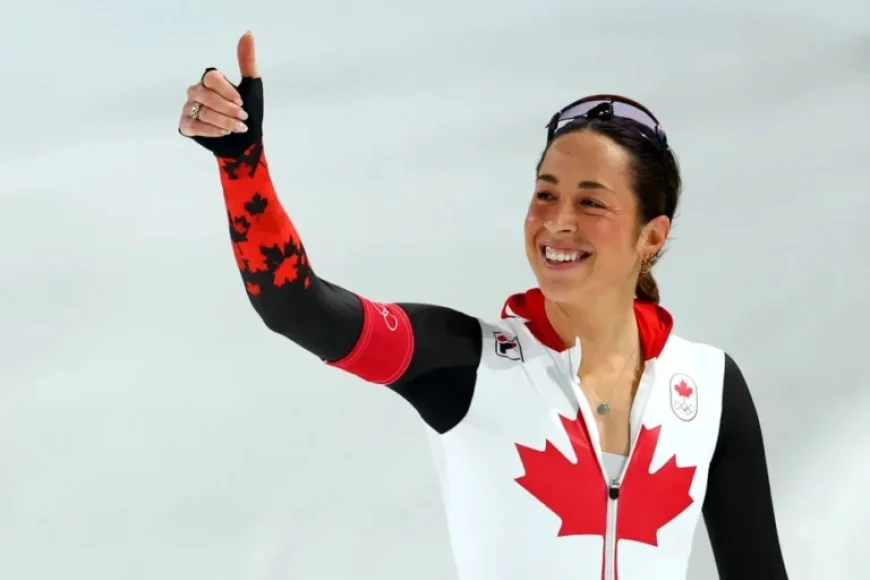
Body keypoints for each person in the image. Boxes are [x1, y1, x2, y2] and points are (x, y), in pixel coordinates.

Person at [178, 32, 789, 580]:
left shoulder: (708, 391)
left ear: (651, 237)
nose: (557, 223)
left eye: (592, 202)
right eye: (545, 194)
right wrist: (241, 161)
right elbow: (296, 305)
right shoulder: (469, 363)